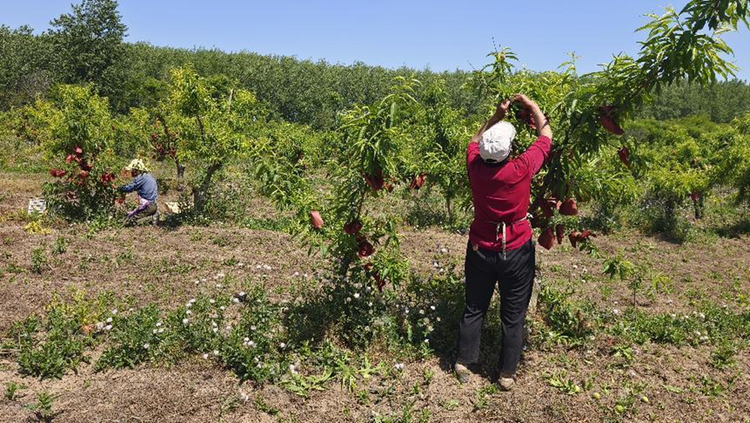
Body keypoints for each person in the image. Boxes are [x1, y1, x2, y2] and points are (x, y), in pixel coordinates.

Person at [454, 94, 552, 391]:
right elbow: (546, 134)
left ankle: (463, 361)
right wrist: (533, 106)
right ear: (509, 150)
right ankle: (506, 374)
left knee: (474, 306)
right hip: (516, 249)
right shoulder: (520, 168)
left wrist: (496, 114)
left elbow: (475, 138)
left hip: (480, 248)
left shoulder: (474, 167)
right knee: (513, 314)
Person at [118, 159, 159, 226]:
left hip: (148, 206)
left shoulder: (141, 177)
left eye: (132, 170)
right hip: (152, 205)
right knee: (130, 217)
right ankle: (152, 215)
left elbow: (129, 188)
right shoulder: (148, 176)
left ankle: (152, 218)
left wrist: (119, 188)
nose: (131, 172)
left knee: (131, 222)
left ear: (135, 170)